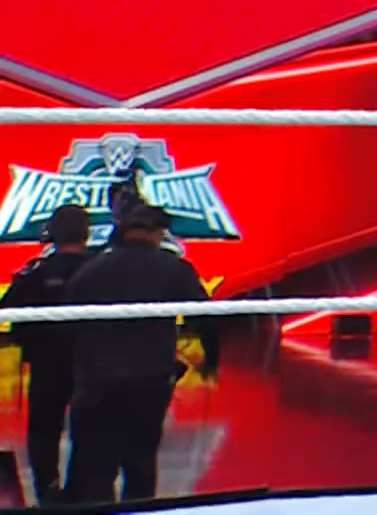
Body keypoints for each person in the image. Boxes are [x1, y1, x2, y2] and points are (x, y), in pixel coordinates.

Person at [63, 202, 216, 504]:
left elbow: (68, 326)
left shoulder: (91, 271)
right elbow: (206, 317)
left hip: (99, 382)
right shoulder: (173, 268)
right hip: (150, 380)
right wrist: (211, 359)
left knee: (97, 466)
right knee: (141, 461)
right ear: (156, 233)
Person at [1, 204, 93, 505]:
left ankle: (48, 491)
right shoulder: (101, 271)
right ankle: (85, 491)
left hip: (46, 365)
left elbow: (8, 311)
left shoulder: (34, 273)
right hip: (92, 366)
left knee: (43, 431)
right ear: (86, 233)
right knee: (91, 430)